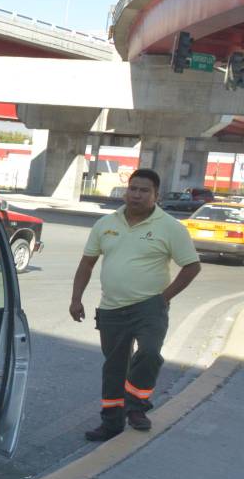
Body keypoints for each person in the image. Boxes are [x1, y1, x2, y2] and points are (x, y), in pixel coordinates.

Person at [69, 168, 201, 441]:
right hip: (111, 309)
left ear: (156, 195)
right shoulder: (106, 224)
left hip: (149, 307)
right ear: (126, 191)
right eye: (133, 189)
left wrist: (163, 298)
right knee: (114, 367)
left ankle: (137, 407)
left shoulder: (170, 227)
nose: (137, 195)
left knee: (150, 354)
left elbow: (191, 266)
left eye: (144, 191)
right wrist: (76, 298)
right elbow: (87, 263)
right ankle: (111, 423)